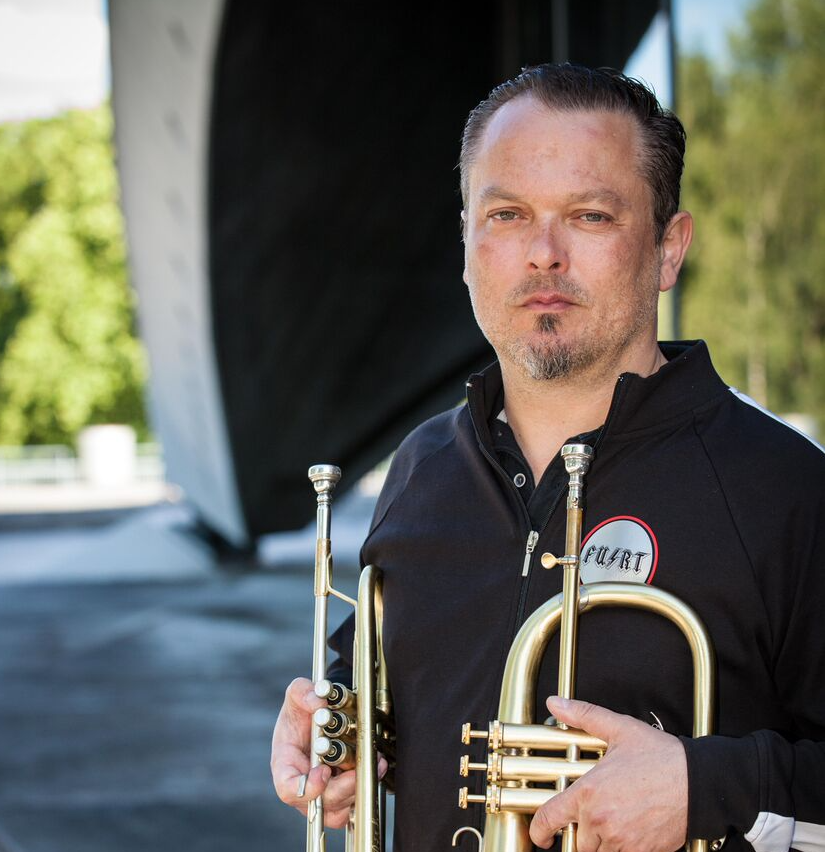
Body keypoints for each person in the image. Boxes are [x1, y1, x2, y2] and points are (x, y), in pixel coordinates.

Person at [271, 64, 825, 852]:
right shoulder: (422, 469)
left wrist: (706, 789)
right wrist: (334, 732)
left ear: (668, 250)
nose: (542, 254)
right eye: (506, 215)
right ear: (467, 243)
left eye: (590, 216)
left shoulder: (784, 489)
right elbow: (379, 684)